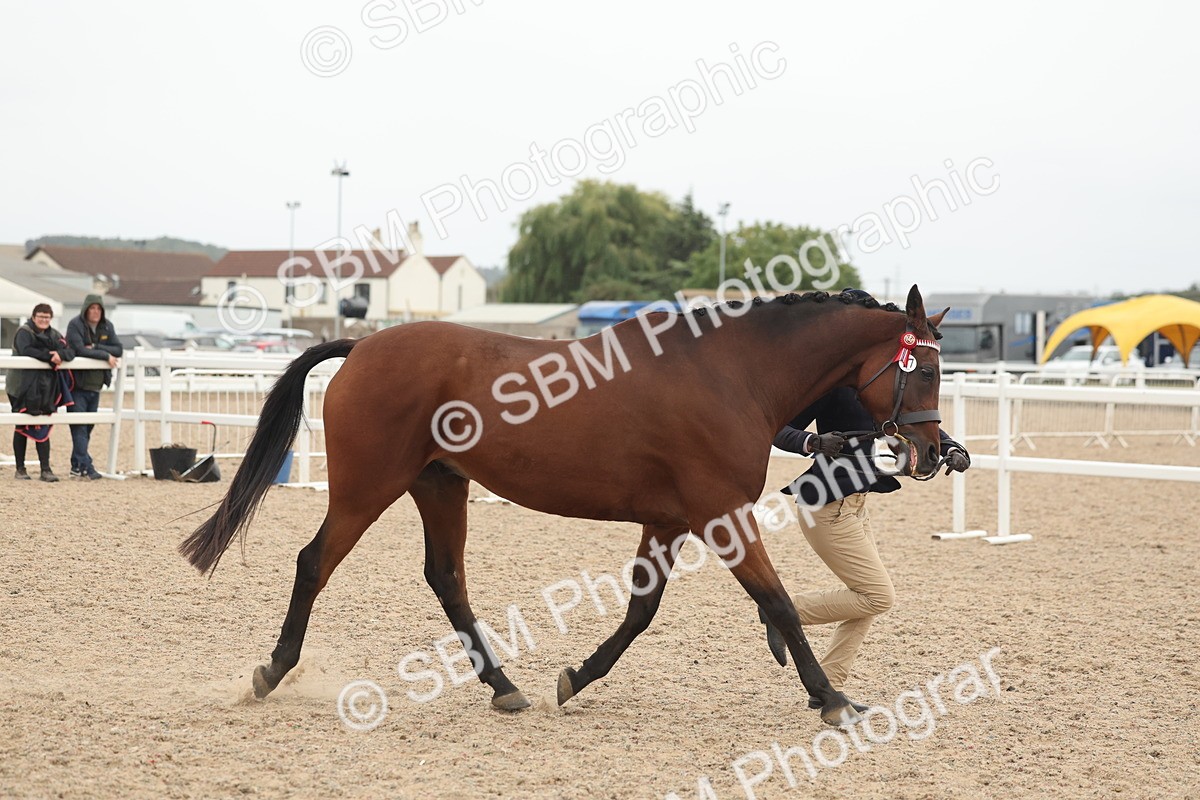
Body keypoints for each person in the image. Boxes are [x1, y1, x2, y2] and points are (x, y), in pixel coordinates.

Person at [760, 303, 970, 711]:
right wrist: (813, 443)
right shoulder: (830, 387)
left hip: (856, 504)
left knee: (866, 599)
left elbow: (915, 418)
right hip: (826, 505)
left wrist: (953, 447)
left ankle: (828, 687)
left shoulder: (884, 383)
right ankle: (781, 613)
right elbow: (776, 427)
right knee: (879, 596)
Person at [6, 304, 75, 481]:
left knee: (43, 422)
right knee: (21, 424)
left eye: (47, 317)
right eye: (41, 317)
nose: (44, 320)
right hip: (21, 387)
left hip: (45, 388)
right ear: (34, 316)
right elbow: (26, 350)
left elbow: (69, 350)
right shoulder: (24, 332)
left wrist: (60, 355)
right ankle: (20, 468)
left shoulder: (54, 335)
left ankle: (45, 468)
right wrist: (50, 356)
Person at [65, 294, 122, 479]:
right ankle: (86, 466)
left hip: (95, 385)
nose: (95, 312)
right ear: (86, 309)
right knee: (79, 427)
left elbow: (118, 349)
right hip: (77, 385)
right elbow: (79, 349)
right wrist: (105, 355)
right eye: (92, 308)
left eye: (99, 308)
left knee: (87, 427)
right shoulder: (75, 325)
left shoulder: (107, 326)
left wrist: (96, 347)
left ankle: (76, 465)